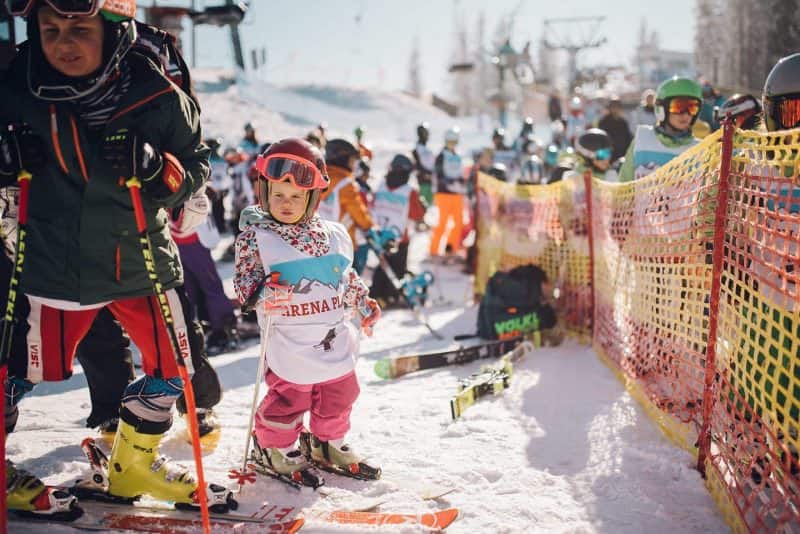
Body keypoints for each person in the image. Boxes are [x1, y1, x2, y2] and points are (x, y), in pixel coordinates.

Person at [0, 0, 232, 513]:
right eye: (50, 28)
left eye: (79, 27)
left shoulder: (154, 90)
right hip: (56, 265)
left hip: (139, 255)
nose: (63, 42)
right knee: (16, 369)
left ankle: (133, 464)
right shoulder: (17, 85)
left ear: (113, 28)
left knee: (175, 365)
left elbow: (194, 167)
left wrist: (157, 170)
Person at [233, 138, 381, 478]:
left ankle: (328, 442)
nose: (287, 203)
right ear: (265, 193)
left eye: (296, 197)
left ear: (312, 198)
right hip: (290, 340)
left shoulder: (333, 234)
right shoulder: (257, 237)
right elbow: (243, 284)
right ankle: (275, 446)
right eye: (279, 195)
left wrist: (363, 301)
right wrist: (261, 293)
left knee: (341, 391)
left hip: (333, 333)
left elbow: (345, 276)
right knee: (290, 399)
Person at [618, 76, 703, 182]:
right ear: (662, 108)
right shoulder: (642, 140)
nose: (685, 114)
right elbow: (624, 183)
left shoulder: (701, 149)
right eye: (678, 107)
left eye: (692, 108)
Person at [369, 154, 426, 307]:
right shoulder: (409, 191)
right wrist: (423, 207)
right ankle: (390, 297)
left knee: (382, 265)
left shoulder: (381, 186)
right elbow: (417, 214)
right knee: (397, 268)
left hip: (380, 235)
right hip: (400, 237)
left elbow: (371, 206)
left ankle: (377, 294)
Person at [318, 138, 375, 250]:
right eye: (353, 160)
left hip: (318, 239)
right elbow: (358, 213)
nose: (354, 165)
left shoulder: (319, 178)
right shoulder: (346, 184)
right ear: (342, 159)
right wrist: (371, 227)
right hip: (340, 244)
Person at [430, 126, 467, 259]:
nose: (452, 144)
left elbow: (461, 174)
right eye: (450, 141)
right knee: (442, 222)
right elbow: (439, 174)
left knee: (458, 222)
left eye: (454, 141)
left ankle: (451, 249)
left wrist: (461, 183)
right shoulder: (441, 156)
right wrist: (449, 183)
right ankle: (434, 251)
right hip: (444, 193)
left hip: (457, 194)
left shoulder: (457, 156)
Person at [597, 96, 632, 163]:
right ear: (609, 108)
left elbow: (628, 138)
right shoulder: (603, 121)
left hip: (622, 155)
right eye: (613, 106)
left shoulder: (623, 122)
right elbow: (600, 141)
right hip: (608, 156)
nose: (615, 109)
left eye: (617, 107)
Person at [412, 122, 435, 207]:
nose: (427, 136)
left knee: (429, 206)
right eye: (425, 133)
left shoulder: (427, 149)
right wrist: (423, 173)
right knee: (421, 206)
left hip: (430, 182)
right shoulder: (416, 150)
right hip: (421, 183)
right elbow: (415, 166)